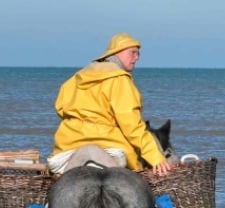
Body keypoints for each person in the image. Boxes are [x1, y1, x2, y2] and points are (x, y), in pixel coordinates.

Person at [48, 33, 175, 176]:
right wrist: (155, 157)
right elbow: (131, 126)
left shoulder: (75, 79)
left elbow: (60, 108)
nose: (137, 57)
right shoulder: (120, 80)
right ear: (116, 52)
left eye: (138, 53)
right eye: (133, 52)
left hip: (68, 146)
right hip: (111, 146)